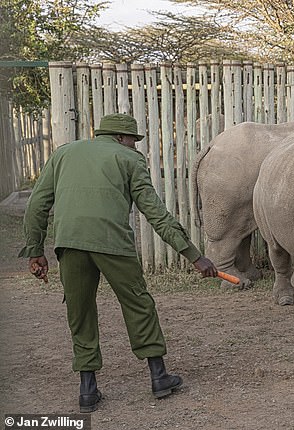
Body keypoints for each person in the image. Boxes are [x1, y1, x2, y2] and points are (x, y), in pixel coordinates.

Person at [19, 113, 218, 413]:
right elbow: (156, 213)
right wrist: (193, 255)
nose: (135, 147)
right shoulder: (129, 159)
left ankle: (87, 390)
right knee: (138, 303)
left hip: (69, 243)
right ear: (122, 139)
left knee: (80, 310)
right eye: (134, 141)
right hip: (113, 243)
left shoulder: (63, 154)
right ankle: (159, 377)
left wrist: (36, 250)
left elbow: (37, 204)